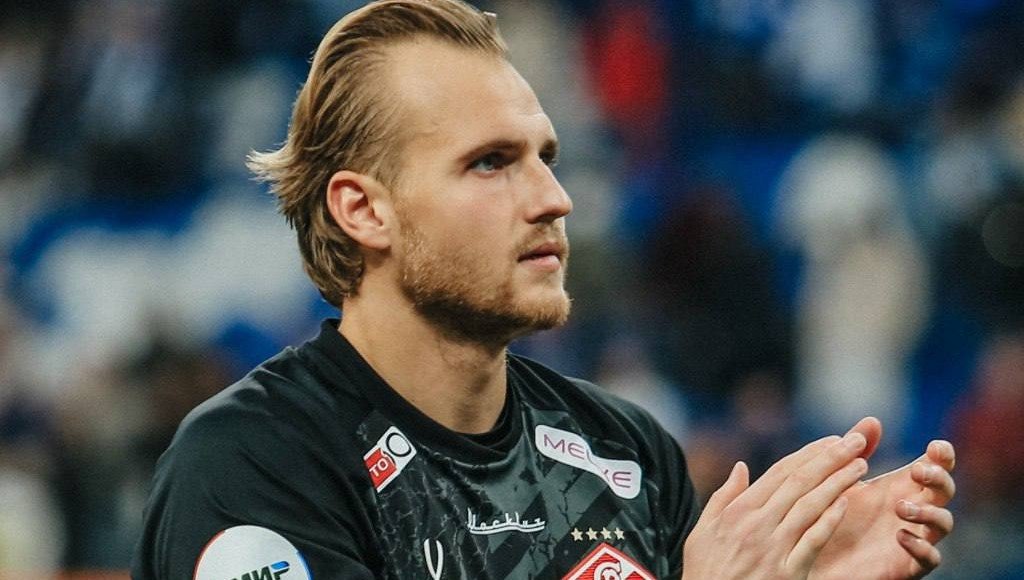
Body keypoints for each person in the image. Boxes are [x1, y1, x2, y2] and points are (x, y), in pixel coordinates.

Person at [131, 1, 956, 578]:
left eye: (546, 158)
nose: (554, 199)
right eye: (491, 162)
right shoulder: (253, 462)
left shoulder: (627, 452)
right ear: (364, 210)